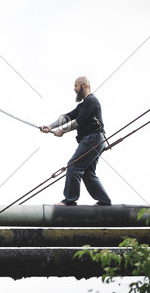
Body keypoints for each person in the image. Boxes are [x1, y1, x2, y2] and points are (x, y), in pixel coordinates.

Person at [40, 76, 112, 206]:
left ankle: (70, 200)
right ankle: (104, 201)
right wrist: (50, 126)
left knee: (73, 165)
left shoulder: (91, 101)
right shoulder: (84, 104)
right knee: (88, 173)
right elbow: (67, 117)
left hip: (93, 139)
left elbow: (78, 122)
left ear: (83, 85)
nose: (74, 89)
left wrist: (62, 131)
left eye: (76, 86)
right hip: (96, 140)